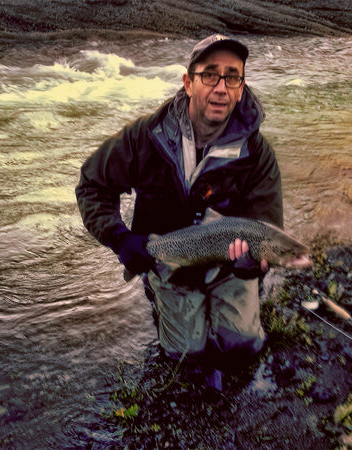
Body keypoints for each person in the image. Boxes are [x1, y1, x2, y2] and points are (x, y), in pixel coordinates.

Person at [76, 34, 283, 372]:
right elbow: (91, 185)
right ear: (188, 83)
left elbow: (268, 228)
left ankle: (242, 296)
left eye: (232, 77)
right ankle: (157, 293)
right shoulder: (145, 137)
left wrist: (256, 265)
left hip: (228, 269)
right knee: (188, 356)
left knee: (243, 346)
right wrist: (119, 237)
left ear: (241, 88)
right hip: (167, 264)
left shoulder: (257, 153)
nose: (221, 88)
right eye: (209, 75)